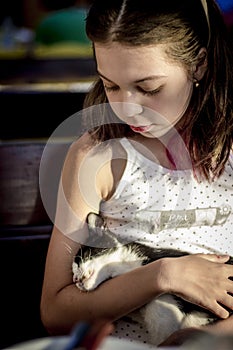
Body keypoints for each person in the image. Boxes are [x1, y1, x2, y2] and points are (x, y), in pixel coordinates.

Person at [40, 0, 233, 347]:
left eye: (149, 88)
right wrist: (163, 275)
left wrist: (207, 337)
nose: (125, 106)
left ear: (199, 65)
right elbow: (55, 312)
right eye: (111, 85)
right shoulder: (98, 158)